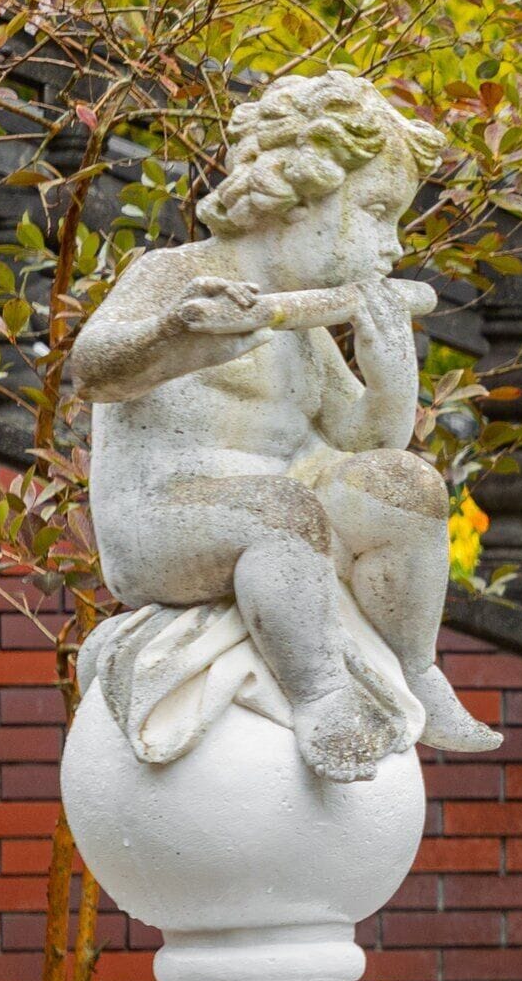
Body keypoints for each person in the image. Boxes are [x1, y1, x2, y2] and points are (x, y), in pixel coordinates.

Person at [72, 70, 499, 780]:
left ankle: (415, 666)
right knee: (283, 511)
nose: (392, 244)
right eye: (375, 211)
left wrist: (390, 368)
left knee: (408, 487)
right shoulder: (178, 274)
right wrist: (174, 333)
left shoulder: (299, 319)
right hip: (164, 515)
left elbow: (369, 440)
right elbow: (92, 367)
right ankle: (323, 697)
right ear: (293, 199)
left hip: (284, 499)